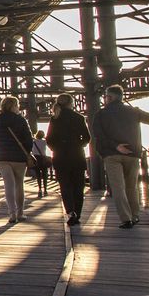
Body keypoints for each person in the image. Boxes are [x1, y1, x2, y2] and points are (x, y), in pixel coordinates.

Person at [90, 84, 149, 228]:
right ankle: (135, 215)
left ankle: (126, 219)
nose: (104, 99)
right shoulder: (133, 111)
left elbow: (98, 135)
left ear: (110, 97)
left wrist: (115, 146)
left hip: (112, 155)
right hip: (132, 154)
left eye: (105, 96)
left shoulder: (101, 114)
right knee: (132, 187)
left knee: (118, 188)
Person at [0, 96, 34, 223]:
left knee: (8, 184)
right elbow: (29, 140)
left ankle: (11, 214)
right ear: (14, 106)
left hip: (1, 157)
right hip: (19, 157)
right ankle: (20, 213)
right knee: (19, 185)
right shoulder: (21, 120)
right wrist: (27, 153)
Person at [46, 94, 90, 227]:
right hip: (77, 156)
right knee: (78, 187)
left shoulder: (55, 118)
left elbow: (49, 139)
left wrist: (56, 148)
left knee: (65, 186)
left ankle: (71, 212)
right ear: (71, 103)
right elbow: (87, 137)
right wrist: (79, 145)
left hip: (60, 157)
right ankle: (78, 213)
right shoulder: (79, 117)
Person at [29, 129, 51, 197]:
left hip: (36, 159)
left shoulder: (33, 141)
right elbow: (50, 147)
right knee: (45, 175)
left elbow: (31, 150)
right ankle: (45, 190)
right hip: (43, 158)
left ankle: (39, 189)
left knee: (38, 175)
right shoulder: (44, 142)